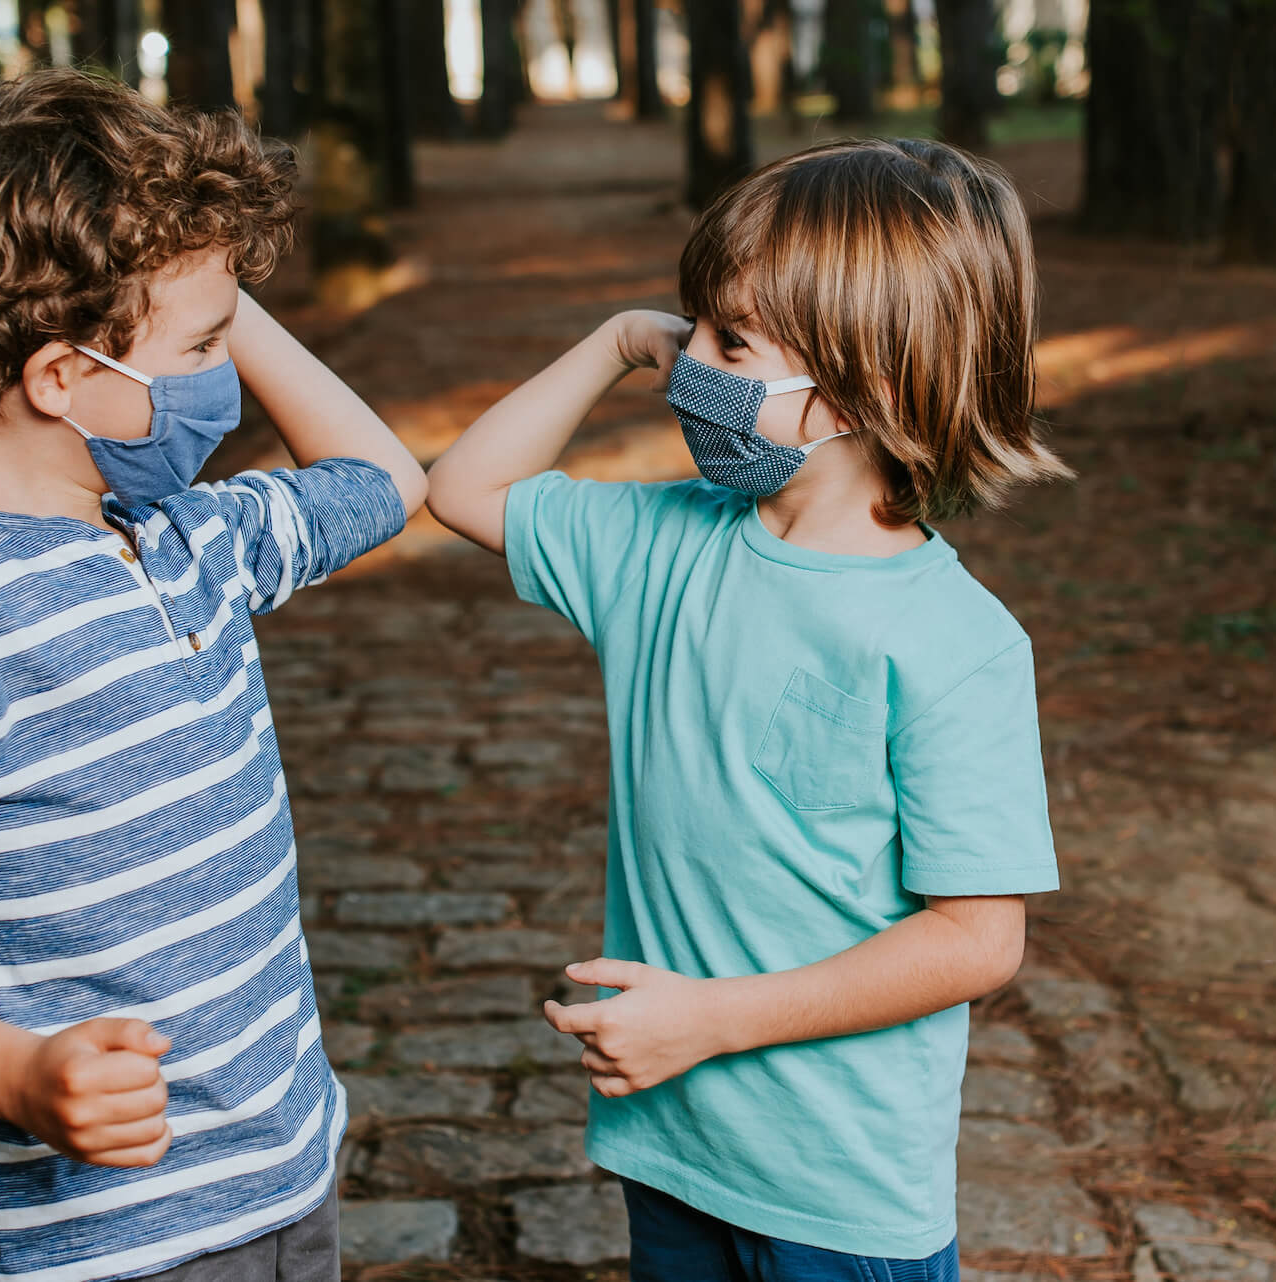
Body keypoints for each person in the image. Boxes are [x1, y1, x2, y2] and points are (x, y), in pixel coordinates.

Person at [0, 71, 425, 1282]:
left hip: (283, 1177)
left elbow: (381, 478)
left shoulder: (190, 543)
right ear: (59, 378)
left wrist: (202, 276)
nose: (225, 377)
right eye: (207, 349)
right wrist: (9, 1073)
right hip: (95, 1243)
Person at [425, 138, 1071, 1281]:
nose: (690, 371)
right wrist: (618, 340)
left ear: (862, 384)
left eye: (728, 343)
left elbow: (979, 937)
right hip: (674, 1146)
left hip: (842, 1189)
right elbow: (464, 488)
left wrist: (715, 1019)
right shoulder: (661, 544)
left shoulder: (955, 644)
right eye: (689, 333)